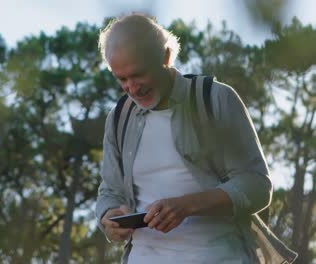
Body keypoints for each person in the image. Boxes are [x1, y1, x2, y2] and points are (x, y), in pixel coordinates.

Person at [94, 13, 298, 263]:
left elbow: (257, 186)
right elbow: (110, 191)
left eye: (138, 74)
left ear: (165, 57)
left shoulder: (216, 99)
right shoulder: (118, 119)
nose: (132, 88)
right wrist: (109, 215)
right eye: (122, 79)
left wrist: (187, 205)